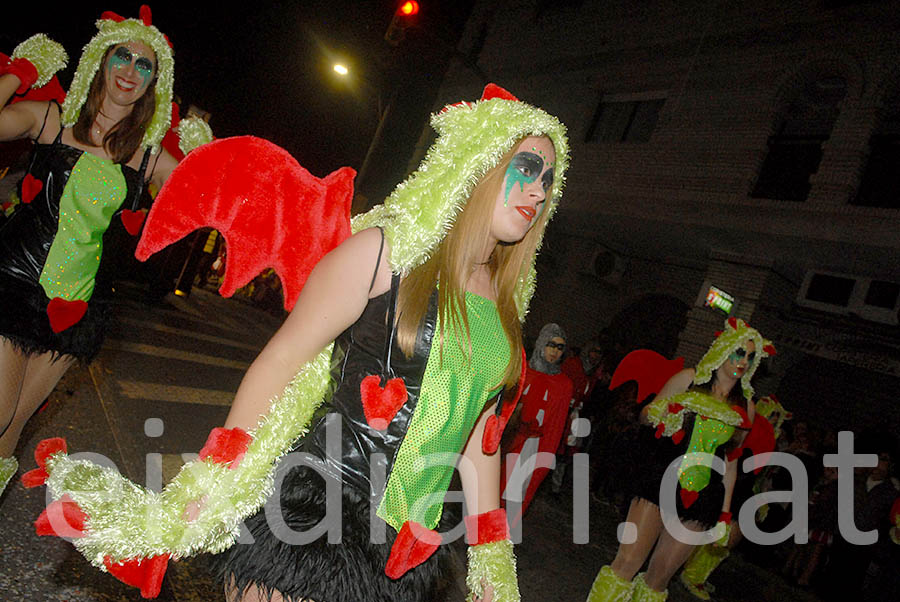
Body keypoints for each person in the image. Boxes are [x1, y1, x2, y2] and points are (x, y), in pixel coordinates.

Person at [0, 7, 179, 495]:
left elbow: (199, 206)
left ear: (153, 85)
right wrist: (20, 74)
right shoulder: (51, 120)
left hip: (77, 305)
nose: (130, 71)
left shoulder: (149, 156)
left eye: (145, 66)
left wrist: (198, 156)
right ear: (100, 62)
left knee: (14, 426)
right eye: (123, 56)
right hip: (13, 280)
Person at [587, 318, 775, 602]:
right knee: (627, 561)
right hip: (660, 478)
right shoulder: (689, 379)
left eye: (750, 356)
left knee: (659, 578)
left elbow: (731, 462)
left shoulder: (745, 406)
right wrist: (663, 413)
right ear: (723, 349)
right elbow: (644, 416)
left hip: (703, 494)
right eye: (739, 352)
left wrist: (724, 514)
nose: (743, 361)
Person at [501, 323, 573, 523]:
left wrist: (546, 454)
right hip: (509, 439)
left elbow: (556, 425)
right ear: (541, 343)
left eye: (560, 348)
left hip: (532, 445)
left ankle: (503, 532)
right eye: (551, 345)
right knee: (494, 485)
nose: (554, 352)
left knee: (516, 491)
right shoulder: (523, 371)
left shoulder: (563, 385)